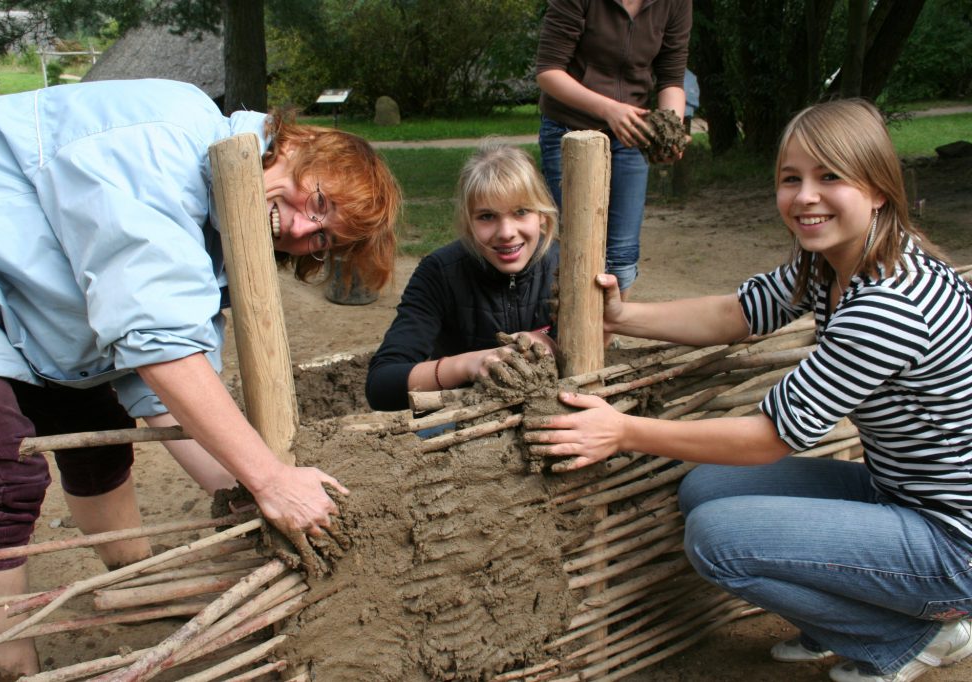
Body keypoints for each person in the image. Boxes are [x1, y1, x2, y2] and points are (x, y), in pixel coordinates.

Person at [0, 78, 401, 680]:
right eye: (316, 200)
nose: (299, 229)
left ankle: (135, 574)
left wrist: (239, 485)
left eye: (322, 234)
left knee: (99, 431)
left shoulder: (220, 217)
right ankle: (8, 659)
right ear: (295, 147)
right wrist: (268, 478)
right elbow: (158, 343)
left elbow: (158, 381)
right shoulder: (167, 143)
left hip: (20, 297)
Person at [522, 99, 972, 682]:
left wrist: (623, 430)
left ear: (878, 188)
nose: (805, 196)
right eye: (792, 179)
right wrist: (622, 317)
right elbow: (737, 313)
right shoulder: (836, 264)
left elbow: (767, 439)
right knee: (707, 487)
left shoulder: (887, 306)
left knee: (718, 537)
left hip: (950, 540)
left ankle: (903, 636)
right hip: (900, 495)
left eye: (829, 176)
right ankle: (850, 619)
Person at [366, 141, 559, 413]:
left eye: (521, 211)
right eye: (487, 216)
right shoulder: (439, 273)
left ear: (542, 215)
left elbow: (593, 353)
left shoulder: (564, 266)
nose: (506, 232)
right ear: (467, 222)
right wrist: (470, 364)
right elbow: (381, 386)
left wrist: (551, 344)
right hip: (463, 423)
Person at [535, 0, 692, 299]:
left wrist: (669, 129)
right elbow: (548, 72)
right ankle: (567, 335)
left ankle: (605, 341)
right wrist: (610, 110)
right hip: (569, 129)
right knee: (575, 246)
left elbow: (672, 78)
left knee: (621, 254)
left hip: (630, 131)